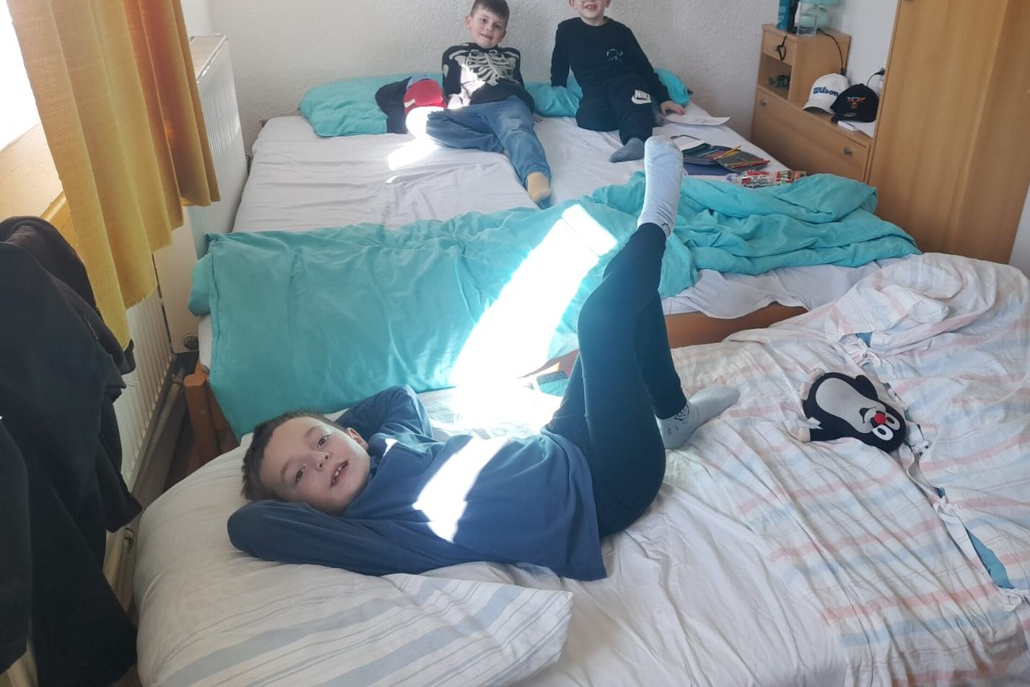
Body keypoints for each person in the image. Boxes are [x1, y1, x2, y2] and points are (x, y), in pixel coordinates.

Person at [227, 137, 739, 580]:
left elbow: (397, 398)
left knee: (617, 305)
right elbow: (249, 525)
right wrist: (314, 475)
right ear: (305, 510)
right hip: (606, 488)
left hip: (561, 443)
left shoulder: (396, 441)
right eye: (299, 475)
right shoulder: (373, 529)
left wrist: (344, 434)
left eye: (320, 442)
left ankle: (674, 417)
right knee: (602, 321)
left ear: (353, 435)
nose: (319, 459)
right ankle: (658, 218)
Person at [419, 0, 552, 205]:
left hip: (506, 102)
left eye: (497, 26)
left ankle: (535, 174)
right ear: (469, 21)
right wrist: (454, 110)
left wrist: (527, 110)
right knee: (423, 121)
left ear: (503, 34)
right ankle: (499, 145)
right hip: (472, 111)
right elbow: (451, 89)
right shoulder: (453, 53)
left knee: (516, 128)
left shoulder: (512, 55)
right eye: (484, 20)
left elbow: (518, 85)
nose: (489, 28)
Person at [550, 0, 685, 163]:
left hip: (627, 82)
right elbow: (559, 62)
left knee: (629, 93)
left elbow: (644, 66)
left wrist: (663, 98)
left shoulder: (621, 32)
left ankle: (636, 140)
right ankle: (643, 114)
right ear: (572, 3)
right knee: (587, 118)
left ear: (608, 0)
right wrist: (557, 87)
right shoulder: (566, 30)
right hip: (596, 90)